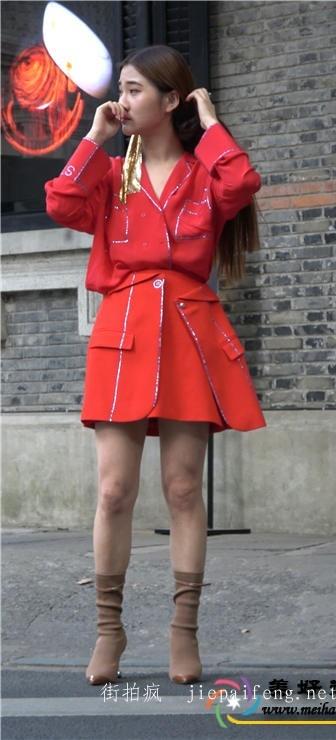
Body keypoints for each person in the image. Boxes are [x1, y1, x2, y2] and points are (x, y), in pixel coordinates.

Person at [45, 44, 266, 687]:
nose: (123, 99)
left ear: (171, 100)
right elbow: (60, 202)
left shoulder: (204, 174)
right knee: (115, 491)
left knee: (183, 489)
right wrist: (94, 136)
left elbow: (241, 184)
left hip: (191, 335)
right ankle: (108, 629)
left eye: (135, 89)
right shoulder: (114, 176)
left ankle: (183, 630)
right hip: (124, 334)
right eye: (122, 88)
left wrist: (211, 121)